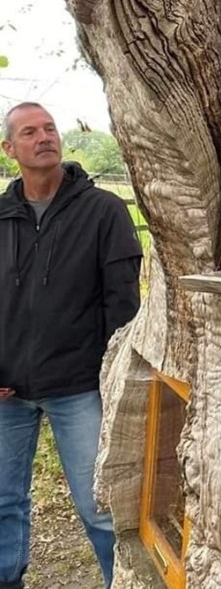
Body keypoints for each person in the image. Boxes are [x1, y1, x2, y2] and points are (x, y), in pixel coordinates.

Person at [0, 102, 142, 589]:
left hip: (79, 388)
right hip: (7, 393)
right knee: (2, 501)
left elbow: (122, 307)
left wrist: (109, 378)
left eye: (49, 128)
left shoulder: (104, 211)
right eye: (29, 132)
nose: (43, 137)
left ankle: (120, 581)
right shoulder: (0, 216)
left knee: (100, 504)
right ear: (9, 148)